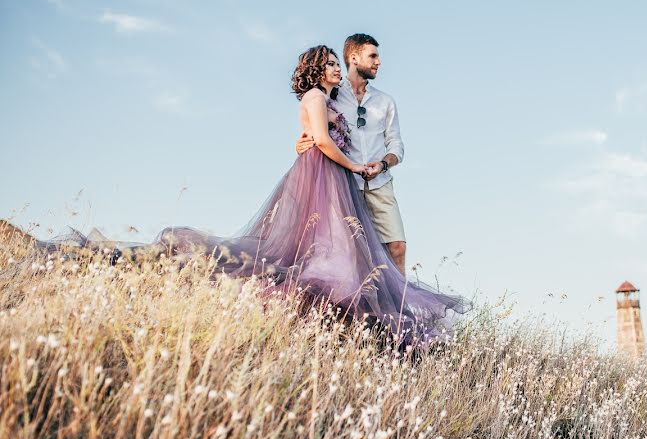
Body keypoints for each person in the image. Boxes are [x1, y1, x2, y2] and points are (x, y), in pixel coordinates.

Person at [25, 45, 467, 347]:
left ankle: (350, 313)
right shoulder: (316, 95)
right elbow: (319, 139)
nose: (335, 69)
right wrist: (349, 164)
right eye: (330, 63)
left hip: (335, 173)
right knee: (308, 243)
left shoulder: (336, 98)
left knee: (339, 244)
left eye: (337, 63)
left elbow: (315, 136)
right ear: (317, 69)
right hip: (325, 172)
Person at [295, 34, 407, 274]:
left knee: (396, 246)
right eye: (373, 56)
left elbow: (396, 145)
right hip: (344, 183)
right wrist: (303, 142)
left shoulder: (386, 101)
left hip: (380, 183)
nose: (378, 62)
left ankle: (398, 310)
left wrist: (383, 165)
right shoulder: (332, 93)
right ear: (354, 58)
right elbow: (315, 127)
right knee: (353, 254)